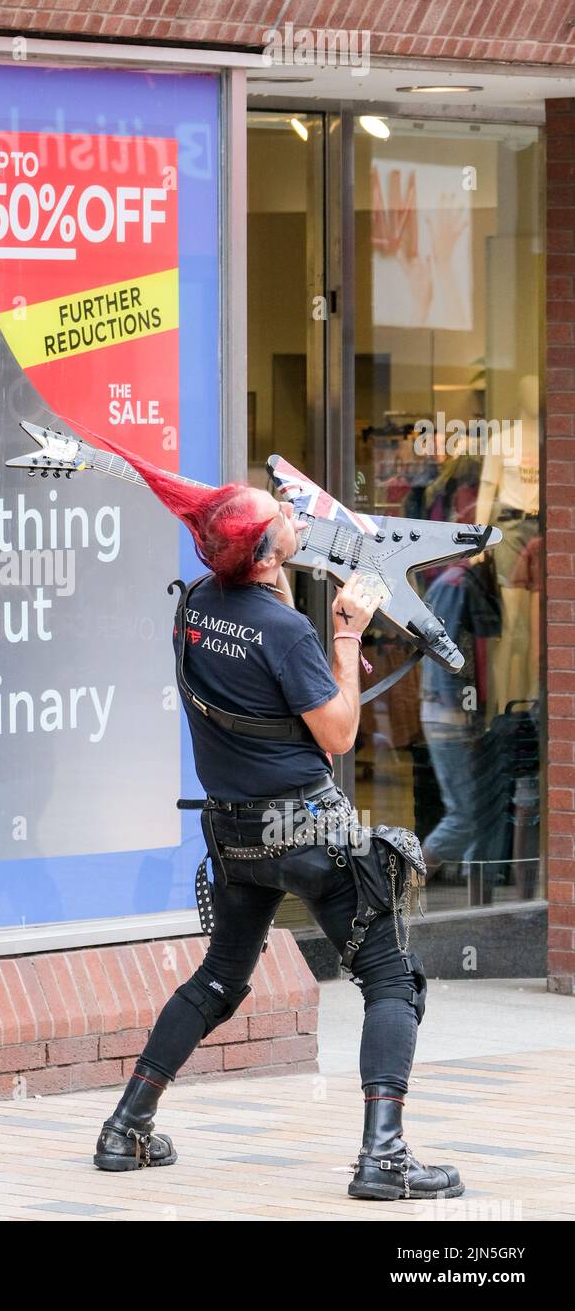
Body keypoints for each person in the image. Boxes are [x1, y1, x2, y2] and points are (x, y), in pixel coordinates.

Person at [91, 464, 464, 1201]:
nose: (296, 517)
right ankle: (383, 1156)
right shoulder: (290, 633)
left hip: (232, 835)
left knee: (220, 978)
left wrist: (295, 612)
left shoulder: (197, 604)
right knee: (392, 980)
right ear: (265, 554)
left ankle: (124, 1127)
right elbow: (337, 733)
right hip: (304, 829)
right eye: (281, 518)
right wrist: (349, 635)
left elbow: (255, 655)